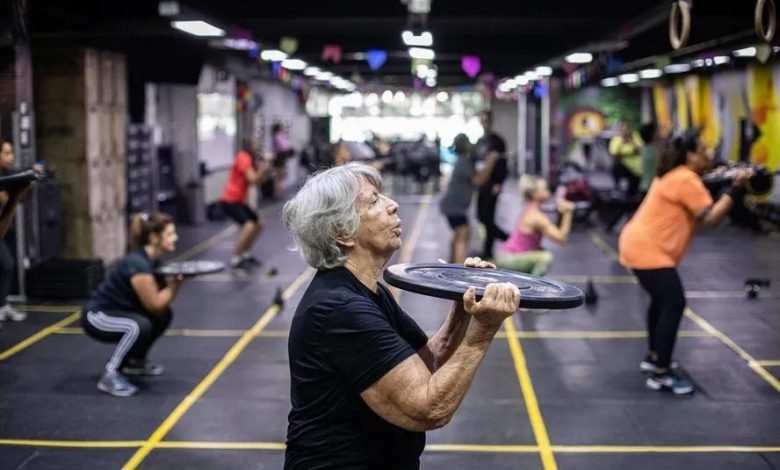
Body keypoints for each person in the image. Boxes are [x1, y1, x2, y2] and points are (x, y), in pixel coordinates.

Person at [281, 163, 520, 469]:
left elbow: (426, 364)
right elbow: (427, 409)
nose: (393, 205)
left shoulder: (367, 291)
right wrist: (482, 332)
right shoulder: (339, 310)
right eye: (374, 201)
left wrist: (462, 307)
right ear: (341, 233)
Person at [619, 128, 749, 395]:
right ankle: (661, 374)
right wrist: (735, 189)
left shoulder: (676, 174)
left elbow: (702, 185)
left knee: (661, 301)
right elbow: (711, 218)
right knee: (674, 303)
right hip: (648, 250)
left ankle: (655, 356)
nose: (709, 154)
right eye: (703, 150)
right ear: (690, 155)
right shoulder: (686, 179)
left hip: (638, 244)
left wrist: (721, 179)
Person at [81, 212, 185, 397]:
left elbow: (159, 308)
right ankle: (110, 374)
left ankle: (135, 362)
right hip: (97, 316)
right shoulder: (138, 265)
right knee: (137, 326)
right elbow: (154, 305)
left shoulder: (152, 261)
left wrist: (174, 284)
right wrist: (176, 285)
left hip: (119, 311)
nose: (175, 237)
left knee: (164, 315)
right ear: (154, 238)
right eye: (169, 234)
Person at [495, 175, 575, 276]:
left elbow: (555, 230)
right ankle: (534, 286)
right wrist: (568, 213)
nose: (548, 191)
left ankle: (526, 281)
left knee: (540, 250)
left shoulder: (531, 209)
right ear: (534, 194)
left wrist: (561, 213)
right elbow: (561, 238)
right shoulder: (536, 216)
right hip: (509, 258)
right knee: (545, 257)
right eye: (544, 189)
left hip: (506, 255)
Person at [439, 133, 499, 263]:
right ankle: (459, 268)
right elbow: (478, 180)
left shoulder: (463, 160)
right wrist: (491, 163)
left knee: (458, 234)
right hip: (455, 206)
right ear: (465, 145)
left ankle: (451, 265)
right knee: (463, 235)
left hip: (453, 205)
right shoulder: (464, 161)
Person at [221, 138, 270, 269]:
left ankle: (245, 254)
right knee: (248, 226)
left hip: (240, 200)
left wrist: (266, 170)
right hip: (230, 200)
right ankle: (236, 258)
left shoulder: (250, 159)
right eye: (256, 145)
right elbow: (253, 179)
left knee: (259, 223)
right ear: (250, 146)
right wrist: (264, 165)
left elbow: (258, 181)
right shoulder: (243, 157)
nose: (258, 147)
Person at [0, 138, 28, 323]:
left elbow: (21, 200)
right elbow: (5, 202)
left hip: (4, 228)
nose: (11, 157)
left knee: (7, 264)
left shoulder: (6, 175)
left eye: (11, 152)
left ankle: (2, 305)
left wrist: (26, 184)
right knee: (7, 264)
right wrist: (18, 188)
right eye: (7, 153)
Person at [475, 111, 509, 259]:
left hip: (492, 185)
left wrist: (499, 182)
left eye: (486, 120)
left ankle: (489, 250)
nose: (484, 122)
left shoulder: (497, 141)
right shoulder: (480, 141)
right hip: (481, 184)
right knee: (481, 217)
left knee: (488, 218)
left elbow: (503, 164)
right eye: (482, 120)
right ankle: (508, 238)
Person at [609, 122, 643, 197]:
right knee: (615, 167)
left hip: (636, 169)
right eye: (622, 130)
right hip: (624, 166)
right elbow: (615, 155)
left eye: (626, 129)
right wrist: (623, 142)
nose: (625, 132)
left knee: (632, 192)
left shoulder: (635, 137)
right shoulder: (616, 139)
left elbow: (639, 150)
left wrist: (630, 141)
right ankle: (617, 188)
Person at [272, 122, 295, 199]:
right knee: (279, 176)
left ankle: (278, 192)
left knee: (280, 176)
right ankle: (277, 193)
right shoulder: (278, 136)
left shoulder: (279, 136)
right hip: (279, 158)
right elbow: (284, 146)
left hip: (281, 157)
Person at [639, 121, 662, 194]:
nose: (660, 133)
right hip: (652, 188)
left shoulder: (646, 149)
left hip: (646, 186)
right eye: (657, 131)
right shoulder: (654, 152)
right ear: (653, 134)